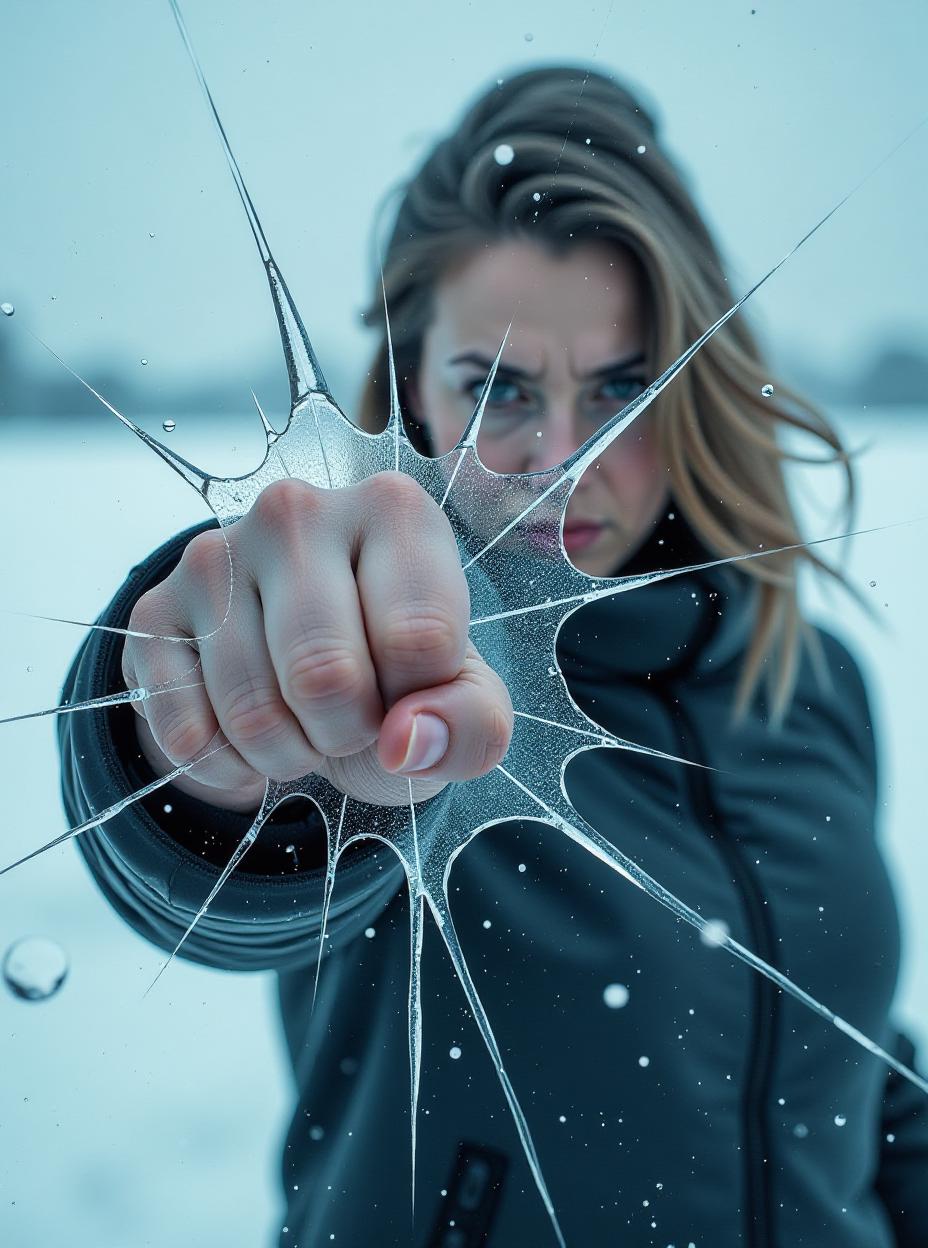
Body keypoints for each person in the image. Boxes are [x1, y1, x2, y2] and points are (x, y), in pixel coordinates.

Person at [58, 67, 927, 1247]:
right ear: (413, 388)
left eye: (622, 386)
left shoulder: (804, 676)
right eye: (497, 387)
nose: (561, 456)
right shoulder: (404, 681)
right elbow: (218, 876)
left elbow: (849, 1068)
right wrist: (205, 727)